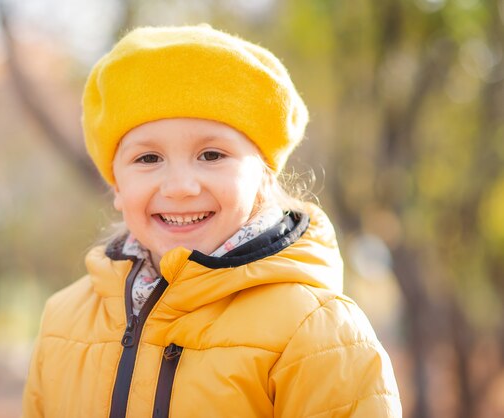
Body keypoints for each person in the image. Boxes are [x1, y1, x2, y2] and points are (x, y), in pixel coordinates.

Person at [21, 25, 402, 417]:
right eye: (148, 158)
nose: (180, 187)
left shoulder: (319, 333)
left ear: (264, 176)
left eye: (212, 155)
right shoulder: (63, 320)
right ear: (116, 183)